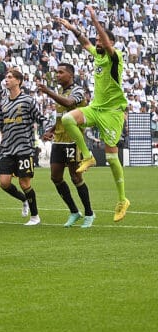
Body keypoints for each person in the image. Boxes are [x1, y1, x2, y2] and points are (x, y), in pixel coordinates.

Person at [54, 8, 130, 221]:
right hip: (96, 108)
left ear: (110, 43)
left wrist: (95, 20)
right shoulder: (97, 55)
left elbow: (104, 42)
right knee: (68, 119)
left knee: (112, 158)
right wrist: (72, 29)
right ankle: (87, 156)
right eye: (96, 38)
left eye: (101, 38)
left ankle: (122, 199)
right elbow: (85, 42)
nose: (97, 41)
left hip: (113, 112)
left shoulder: (116, 57)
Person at [37, 63, 95, 228]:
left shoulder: (77, 90)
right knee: (55, 177)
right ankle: (74, 211)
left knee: (76, 177)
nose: (57, 75)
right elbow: (62, 116)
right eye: (57, 72)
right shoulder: (60, 91)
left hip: (73, 141)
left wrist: (49, 92)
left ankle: (89, 213)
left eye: (61, 72)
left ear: (70, 74)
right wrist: (51, 130)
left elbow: (70, 104)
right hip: (59, 140)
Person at [0, 68, 44, 225]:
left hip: (24, 148)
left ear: (18, 81)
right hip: (7, 148)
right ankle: (23, 199)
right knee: (4, 183)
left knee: (24, 183)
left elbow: (40, 118)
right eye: (6, 77)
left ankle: (35, 216)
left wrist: (47, 131)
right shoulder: (3, 102)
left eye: (10, 77)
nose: (7, 79)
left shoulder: (27, 100)